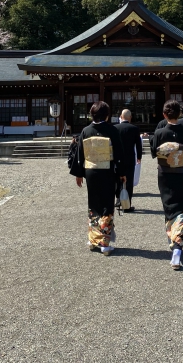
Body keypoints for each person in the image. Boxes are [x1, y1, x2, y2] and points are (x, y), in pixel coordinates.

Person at [151, 99, 183, 270]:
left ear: (164, 115)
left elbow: (153, 152)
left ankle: (173, 242)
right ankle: (177, 247)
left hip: (165, 176)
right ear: (179, 114)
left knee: (169, 208)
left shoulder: (158, 133)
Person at [70, 101, 126, 256]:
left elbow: (80, 154)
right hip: (107, 171)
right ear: (107, 115)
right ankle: (104, 244)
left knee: (93, 204)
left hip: (90, 171)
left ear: (92, 114)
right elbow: (119, 153)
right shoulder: (111, 130)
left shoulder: (86, 131)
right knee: (107, 204)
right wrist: (122, 172)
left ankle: (93, 239)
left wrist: (79, 173)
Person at [115, 109, 143, 212]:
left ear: (121, 117)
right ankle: (127, 204)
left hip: (117, 158)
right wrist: (139, 157)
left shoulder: (115, 128)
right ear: (130, 118)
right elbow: (138, 145)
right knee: (129, 181)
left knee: (118, 179)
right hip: (130, 158)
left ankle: (118, 200)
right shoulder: (134, 129)